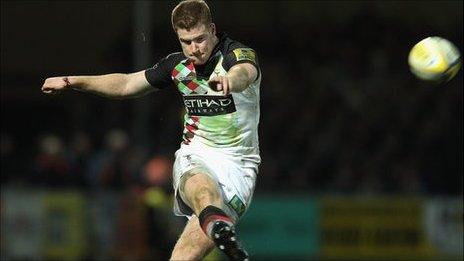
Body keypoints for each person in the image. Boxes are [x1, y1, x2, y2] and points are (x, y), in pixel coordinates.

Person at [41, 0, 261, 260]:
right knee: (203, 191)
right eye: (186, 41)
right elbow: (125, 84)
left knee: (182, 257)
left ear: (213, 29)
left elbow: (245, 73)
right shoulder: (177, 66)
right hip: (198, 152)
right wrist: (72, 81)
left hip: (239, 163)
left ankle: (216, 225)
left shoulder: (237, 55)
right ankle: (217, 225)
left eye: (200, 39)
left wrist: (229, 81)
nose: (194, 48)